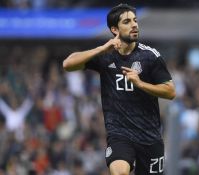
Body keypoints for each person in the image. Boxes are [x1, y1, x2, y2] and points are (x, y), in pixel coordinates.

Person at [62, 4, 175, 175]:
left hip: (149, 137)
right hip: (120, 135)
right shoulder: (105, 55)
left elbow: (170, 91)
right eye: (127, 22)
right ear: (115, 29)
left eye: (135, 21)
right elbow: (68, 64)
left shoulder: (151, 56)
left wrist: (140, 84)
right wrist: (101, 48)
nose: (134, 25)